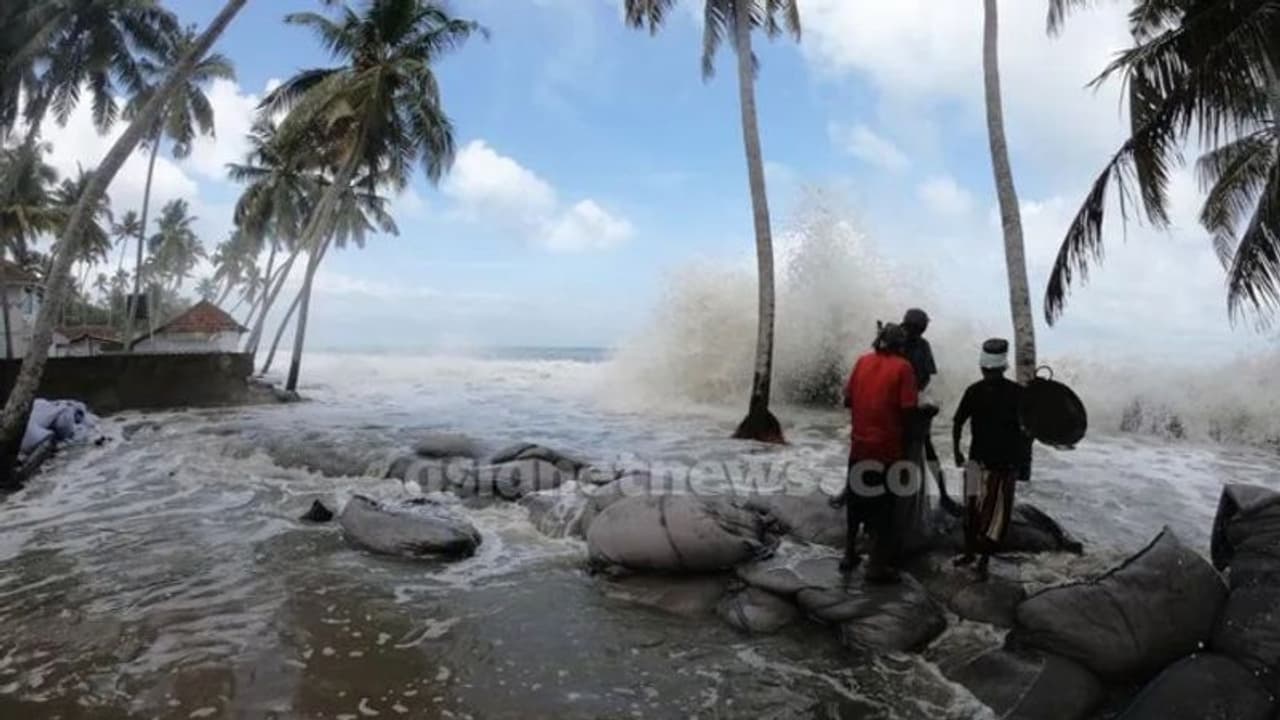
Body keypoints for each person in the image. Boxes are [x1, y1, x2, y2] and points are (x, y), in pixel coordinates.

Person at [839, 322, 919, 583]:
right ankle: (876, 566)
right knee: (884, 509)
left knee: (856, 502)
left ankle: (849, 553)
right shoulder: (904, 368)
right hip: (886, 449)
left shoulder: (862, 361)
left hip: (859, 445)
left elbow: (848, 399)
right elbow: (908, 411)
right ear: (901, 345)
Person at [951, 338, 1033, 580]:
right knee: (974, 512)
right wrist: (956, 451)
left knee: (992, 517)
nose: (988, 374)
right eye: (988, 371)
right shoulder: (1012, 393)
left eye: (990, 371)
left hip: (1002, 464)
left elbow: (1028, 429)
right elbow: (958, 421)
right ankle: (970, 554)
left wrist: (957, 449)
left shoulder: (1001, 392)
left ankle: (982, 561)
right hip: (982, 461)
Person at [901, 308, 961, 516]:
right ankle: (849, 491)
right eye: (915, 330)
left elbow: (927, 375)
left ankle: (944, 496)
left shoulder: (922, 345)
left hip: (912, 401)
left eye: (920, 331)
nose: (916, 334)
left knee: (928, 449)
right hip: (892, 403)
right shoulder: (893, 341)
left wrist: (914, 389)